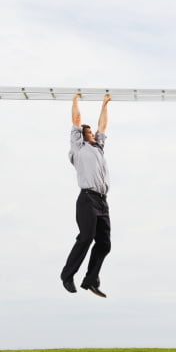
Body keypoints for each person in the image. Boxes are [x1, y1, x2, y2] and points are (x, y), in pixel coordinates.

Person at [61, 93, 111, 298]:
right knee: (86, 237)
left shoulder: (98, 147)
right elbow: (76, 121)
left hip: (102, 201)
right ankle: (67, 275)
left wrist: (105, 104)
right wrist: (74, 101)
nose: (90, 133)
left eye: (90, 132)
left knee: (105, 244)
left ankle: (90, 280)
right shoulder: (78, 148)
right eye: (86, 132)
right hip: (87, 199)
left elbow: (103, 126)